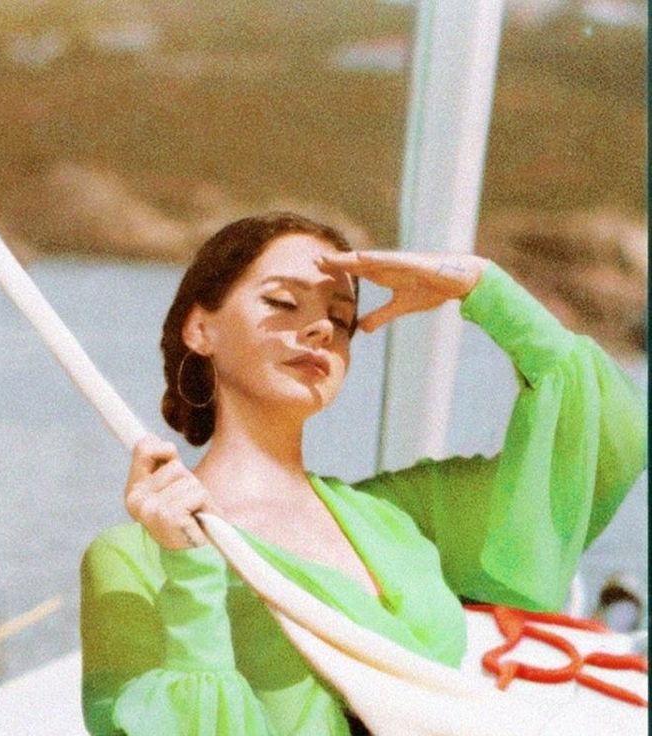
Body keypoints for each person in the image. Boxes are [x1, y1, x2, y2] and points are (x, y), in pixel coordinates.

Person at [80, 211, 647, 735]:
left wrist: (482, 288)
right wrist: (189, 568)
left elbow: (605, 439)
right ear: (200, 329)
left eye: (341, 318)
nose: (321, 329)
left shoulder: (400, 515)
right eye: (282, 302)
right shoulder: (139, 556)